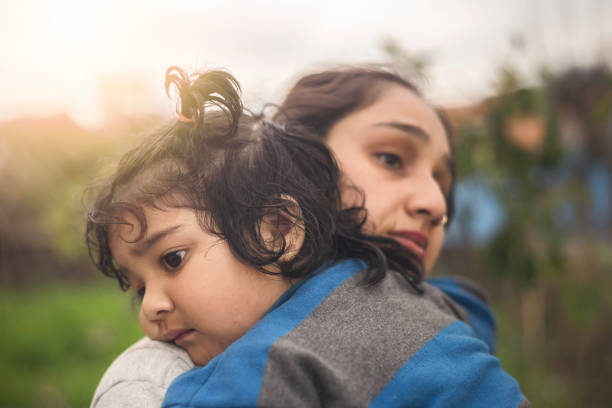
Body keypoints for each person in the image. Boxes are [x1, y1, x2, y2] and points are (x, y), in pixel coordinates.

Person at [89, 66, 526, 407]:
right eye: (392, 158)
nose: (436, 203)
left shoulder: (280, 360)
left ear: (280, 226)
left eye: (443, 182)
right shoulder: (152, 378)